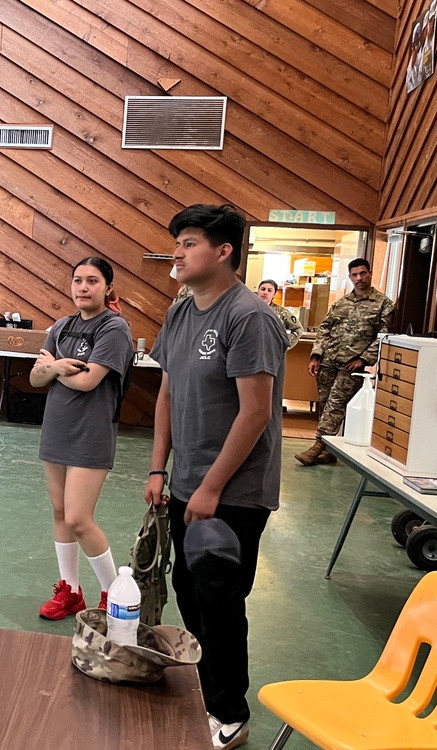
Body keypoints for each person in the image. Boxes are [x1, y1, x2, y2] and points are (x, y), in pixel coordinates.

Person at [144, 204, 288, 750]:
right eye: (176, 242)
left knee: (221, 601)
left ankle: (230, 712)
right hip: (186, 484)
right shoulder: (180, 313)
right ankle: (208, 690)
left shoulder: (248, 316)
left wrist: (209, 488)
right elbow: (168, 392)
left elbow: (255, 411)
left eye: (188, 242)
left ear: (223, 251)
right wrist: (161, 467)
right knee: (187, 588)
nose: (177, 252)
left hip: (236, 493)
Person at [30, 257, 134, 620]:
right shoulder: (61, 327)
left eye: (92, 281)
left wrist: (52, 367)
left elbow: (89, 381)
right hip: (57, 429)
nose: (83, 287)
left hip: (91, 434)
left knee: (78, 518)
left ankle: (113, 595)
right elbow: (35, 378)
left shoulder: (114, 329)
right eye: (78, 280)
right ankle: (70, 591)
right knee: (59, 512)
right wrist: (57, 368)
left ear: (108, 288)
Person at [295, 258, 394, 466]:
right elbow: (324, 328)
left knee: (336, 404)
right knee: (325, 404)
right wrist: (316, 355)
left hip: (352, 365)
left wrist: (364, 359)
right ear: (350, 277)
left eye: (363, 273)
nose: (359, 278)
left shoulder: (383, 304)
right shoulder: (341, 303)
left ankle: (317, 446)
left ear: (369, 273)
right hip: (328, 361)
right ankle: (330, 450)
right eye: (355, 275)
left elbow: (383, 336)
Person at [256, 279, 303, 350]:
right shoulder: (248, 309)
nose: (265, 292)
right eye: (263, 289)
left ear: (274, 294)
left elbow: (298, 329)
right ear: (258, 291)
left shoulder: (282, 312)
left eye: (269, 290)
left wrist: (284, 344)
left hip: (272, 353)